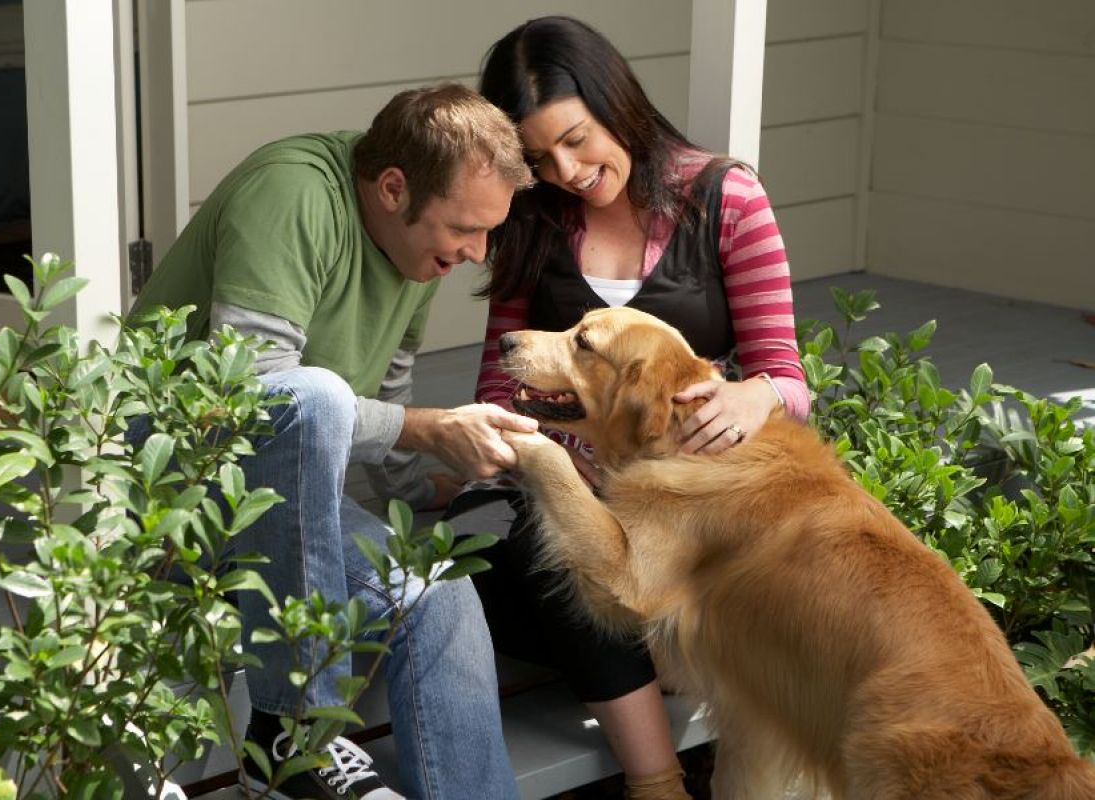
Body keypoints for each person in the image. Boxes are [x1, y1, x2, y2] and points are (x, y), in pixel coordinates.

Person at [130, 84, 536, 800]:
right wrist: (428, 431)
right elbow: (252, 397)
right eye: (465, 228)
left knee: (438, 591)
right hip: (180, 484)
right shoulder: (292, 194)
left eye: (486, 232)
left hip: (282, 499)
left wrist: (420, 483)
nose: (476, 253)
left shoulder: (418, 247)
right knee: (310, 392)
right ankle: (296, 733)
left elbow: (386, 403)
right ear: (390, 188)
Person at [466, 17, 810, 800]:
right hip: (580, 495)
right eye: (539, 158)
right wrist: (544, 447)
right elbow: (499, 379)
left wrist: (753, 394)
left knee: (541, 590)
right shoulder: (531, 215)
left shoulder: (723, 194)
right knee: (540, 558)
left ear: (615, 102)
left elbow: (783, 374)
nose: (566, 171)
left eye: (577, 140)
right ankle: (657, 775)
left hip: (694, 497)